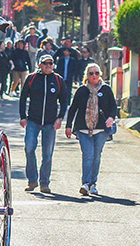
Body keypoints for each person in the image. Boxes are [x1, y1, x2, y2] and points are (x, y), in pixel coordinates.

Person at [65, 63, 118, 196]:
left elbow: (113, 106)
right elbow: (73, 108)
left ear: (100, 75)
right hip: (83, 129)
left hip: (100, 129)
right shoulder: (82, 90)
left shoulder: (106, 90)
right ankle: (86, 183)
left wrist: (111, 118)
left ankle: (93, 183)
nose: (94, 76)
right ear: (86, 76)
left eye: (96, 73)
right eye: (91, 73)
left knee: (96, 157)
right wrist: (68, 125)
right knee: (88, 155)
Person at [19, 54, 68, 193]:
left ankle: (44, 183)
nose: (48, 66)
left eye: (51, 63)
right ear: (40, 65)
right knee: (29, 148)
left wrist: (60, 118)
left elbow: (64, 100)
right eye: (45, 63)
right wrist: (23, 117)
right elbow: (23, 98)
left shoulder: (58, 80)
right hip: (33, 121)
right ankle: (32, 180)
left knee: (47, 154)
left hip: (50, 123)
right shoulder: (32, 78)